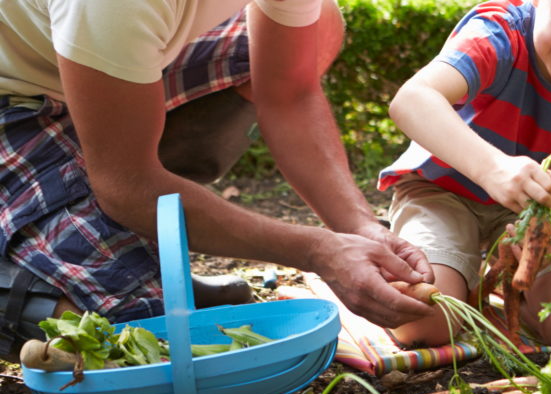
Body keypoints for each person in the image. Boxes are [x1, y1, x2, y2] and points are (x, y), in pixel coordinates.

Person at [0, 0, 435, 362]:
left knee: (320, 23)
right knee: (132, 334)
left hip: (87, 67)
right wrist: (319, 252)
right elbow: (126, 182)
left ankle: (114, 216)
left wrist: (360, 229)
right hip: (16, 98)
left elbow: (289, 92)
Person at [378, 0, 551, 347]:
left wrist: (537, 226)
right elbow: (411, 99)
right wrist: (492, 168)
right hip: (441, 188)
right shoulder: (497, 34)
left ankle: (514, 301)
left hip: (531, 203)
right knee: (424, 324)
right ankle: (451, 274)